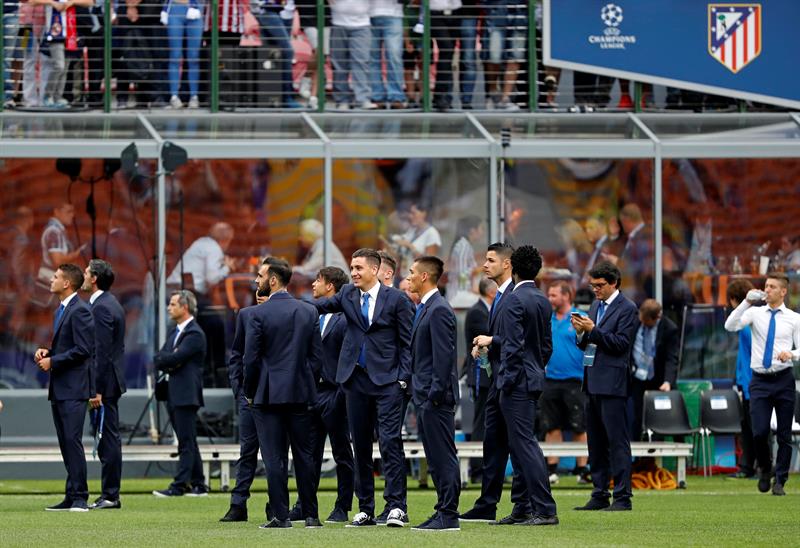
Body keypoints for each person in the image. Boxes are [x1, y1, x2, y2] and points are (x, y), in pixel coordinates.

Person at [313, 248, 414, 528]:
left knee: (391, 442)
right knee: (361, 446)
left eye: (358, 268)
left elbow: (407, 343)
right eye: (352, 267)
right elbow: (319, 307)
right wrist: (282, 303)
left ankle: (396, 507)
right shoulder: (346, 294)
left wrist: (403, 379)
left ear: (374, 269)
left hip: (388, 382)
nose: (354, 272)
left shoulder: (397, 300)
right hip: (354, 381)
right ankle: (366, 508)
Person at [242, 257, 323, 528]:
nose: (257, 280)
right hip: (300, 393)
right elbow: (316, 358)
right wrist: (306, 382)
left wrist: (248, 391)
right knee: (305, 455)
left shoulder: (257, 314)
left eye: (261, 275)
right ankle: (311, 515)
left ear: (273, 280)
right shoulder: (308, 311)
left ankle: (280, 515)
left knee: (274, 457)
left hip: (267, 395)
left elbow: (250, 359)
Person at [484, 245, 558, 526]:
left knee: (525, 445)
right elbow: (545, 347)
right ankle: (523, 507)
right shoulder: (541, 299)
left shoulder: (515, 299)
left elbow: (512, 348)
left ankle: (545, 509)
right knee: (520, 445)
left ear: (512, 267)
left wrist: (507, 380)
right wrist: (534, 369)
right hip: (533, 377)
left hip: (515, 383)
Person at [459, 242, 531, 525]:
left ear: (507, 264)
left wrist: (493, 340)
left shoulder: (516, 296)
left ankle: (521, 505)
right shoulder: (499, 297)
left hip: (511, 381)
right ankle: (487, 503)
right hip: (495, 380)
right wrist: (486, 347)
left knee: (516, 445)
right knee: (493, 443)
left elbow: (521, 340)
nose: (485, 265)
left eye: (490, 260)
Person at [288, 266, 355, 523]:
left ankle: (342, 506)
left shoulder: (346, 317)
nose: (312, 285)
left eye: (318, 280)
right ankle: (305, 505)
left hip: (334, 392)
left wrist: (341, 390)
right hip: (310, 393)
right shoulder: (311, 316)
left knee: (341, 453)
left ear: (330, 286)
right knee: (307, 454)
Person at [571, 260, 638, 512]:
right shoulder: (596, 304)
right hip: (592, 380)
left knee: (617, 441)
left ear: (613, 283)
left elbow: (621, 344)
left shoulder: (627, 308)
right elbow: (589, 342)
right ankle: (599, 493)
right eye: (593, 285)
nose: (595, 290)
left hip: (613, 383)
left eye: (599, 286)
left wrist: (593, 330)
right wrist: (581, 332)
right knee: (595, 443)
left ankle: (622, 497)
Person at [724, 273, 799, 496]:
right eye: (766, 285)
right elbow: (730, 325)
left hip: (784, 378)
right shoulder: (755, 313)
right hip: (760, 381)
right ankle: (766, 469)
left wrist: (792, 354)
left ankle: (781, 481)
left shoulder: (794, 318)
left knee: (784, 434)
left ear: (783, 292)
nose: (767, 290)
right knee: (759, 431)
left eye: (772, 287)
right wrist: (746, 301)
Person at [406, 256, 461, 531]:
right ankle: (442, 509)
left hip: (435, 397)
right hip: (426, 395)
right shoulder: (427, 308)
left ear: (425, 276)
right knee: (435, 457)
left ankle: (449, 514)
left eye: (412, 272)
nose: (409, 276)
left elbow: (443, 357)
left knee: (442, 456)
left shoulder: (438, 309)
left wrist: (434, 395)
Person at [34, 263, 94, 512]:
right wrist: (48, 351)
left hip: (73, 389)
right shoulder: (61, 309)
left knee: (72, 441)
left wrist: (53, 361)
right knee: (65, 442)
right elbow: (68, 346)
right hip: (61, 388)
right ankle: (71, 495)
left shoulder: (80, 310)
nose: (51, 280)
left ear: (67, 283)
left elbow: (83, 350)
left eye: (56, 277)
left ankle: (80, 496)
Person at [219, 280, 269, 523]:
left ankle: (276, 504)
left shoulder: (289, 313)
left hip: (277, 395)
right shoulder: (246, 316)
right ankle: (238, 504)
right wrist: (238, 386)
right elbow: (237, 354)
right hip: (249, 395)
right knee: (247, 450)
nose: (260, 294)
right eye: (258, 292)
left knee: (276, 452)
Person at [152, 290, 208, 497]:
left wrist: (170, 358)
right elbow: (160, 358)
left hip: (186, 393)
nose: (169, 307)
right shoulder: (175, 331)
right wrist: (169, 358)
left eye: (173, 304)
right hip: (174, 392)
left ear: (185, 307)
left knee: (185, 441)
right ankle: (199, 484)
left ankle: (180, 485)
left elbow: (174, 359)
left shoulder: (194, 333)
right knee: (189, 440)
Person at [81, 260, 127, 510]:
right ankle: (109, 493)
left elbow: (101, 351)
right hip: (109, 383)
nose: (84, 277)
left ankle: (110, 494)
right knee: (107, 438)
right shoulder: (108, 303)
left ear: (95, 277)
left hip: (105, 386)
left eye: (86, 273)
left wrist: (96, 388)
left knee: (107, 439)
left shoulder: (101, 307)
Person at [166, 222, 236, 380]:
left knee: (212, 322)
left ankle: (209, 367)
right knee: (217, 324)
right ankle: (217, 369)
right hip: (185, 298)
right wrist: (227, 268)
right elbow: (211, 279)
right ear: (225, 239)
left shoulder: (202, 243)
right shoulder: (214, 248)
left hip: (179, 294)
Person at [540, 281, 589, 485]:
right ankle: (552, 470)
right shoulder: (547, 319)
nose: (550, 299)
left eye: (554, 295)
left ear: (566, 296)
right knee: (552, 427)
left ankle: (582, 470)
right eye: (549, 295)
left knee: (579, 427)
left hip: (575, 380)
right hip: (550, 380)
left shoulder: (579, 318)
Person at [629, 299, 679, 442]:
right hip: (638, 378)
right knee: (638, 419)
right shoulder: (635, 323)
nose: (642, 323)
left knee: (659, 419)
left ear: (656, 317)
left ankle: (656, 458)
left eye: (646, 322)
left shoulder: (669, 328)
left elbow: (672, 358)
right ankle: (639, 460)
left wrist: (668, 381)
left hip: (659, 380)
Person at [463, 277, 496, 482]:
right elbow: (489, 336)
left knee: (487, 420)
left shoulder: (484, 309)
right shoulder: (477, 311)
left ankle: (487, 467)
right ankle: (477, 469)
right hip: (480, 375)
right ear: (491, 292)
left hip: (487, 374)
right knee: (481, 421)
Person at [726, 279, 756, 479]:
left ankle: (754, 467)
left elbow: (751, 355)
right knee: (749, 426)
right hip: (747, 382)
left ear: (732, 299)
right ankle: (749, 466)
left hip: (751, 382)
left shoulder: (745, 323)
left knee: (754, 427)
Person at [330, 0, 375, 109]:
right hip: (338, 23)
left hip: (362, 24)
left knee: (361, 61)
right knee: (339, 64)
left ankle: (363, 98)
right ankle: (342, 100)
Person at [164, 0, 205, 108]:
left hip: (196, 9)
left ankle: (194, 96)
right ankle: (174, 96)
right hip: (175, 9)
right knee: (175, 55)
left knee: (193, 56)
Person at [39, 203, 84, 296]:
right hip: (50, 287)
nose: (72, 215)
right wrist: (76, 254)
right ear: (56, 212)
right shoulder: (54, 231)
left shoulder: (58, 230)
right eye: (68, 211)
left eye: (73, 211)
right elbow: (58, 262)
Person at [369, 0, 406, 109]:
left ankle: (396, 96)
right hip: (368, 15)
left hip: (394, 14)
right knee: (372, 58)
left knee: (394, 56)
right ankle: (377, 96)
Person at [446, 215, 484, 305]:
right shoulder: (463, 247)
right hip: (459, 296)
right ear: (472, 230)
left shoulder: (465, 245)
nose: (482, 232)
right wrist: (478, 270)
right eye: (481, 229)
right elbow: (461, 273)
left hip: (459, 294)